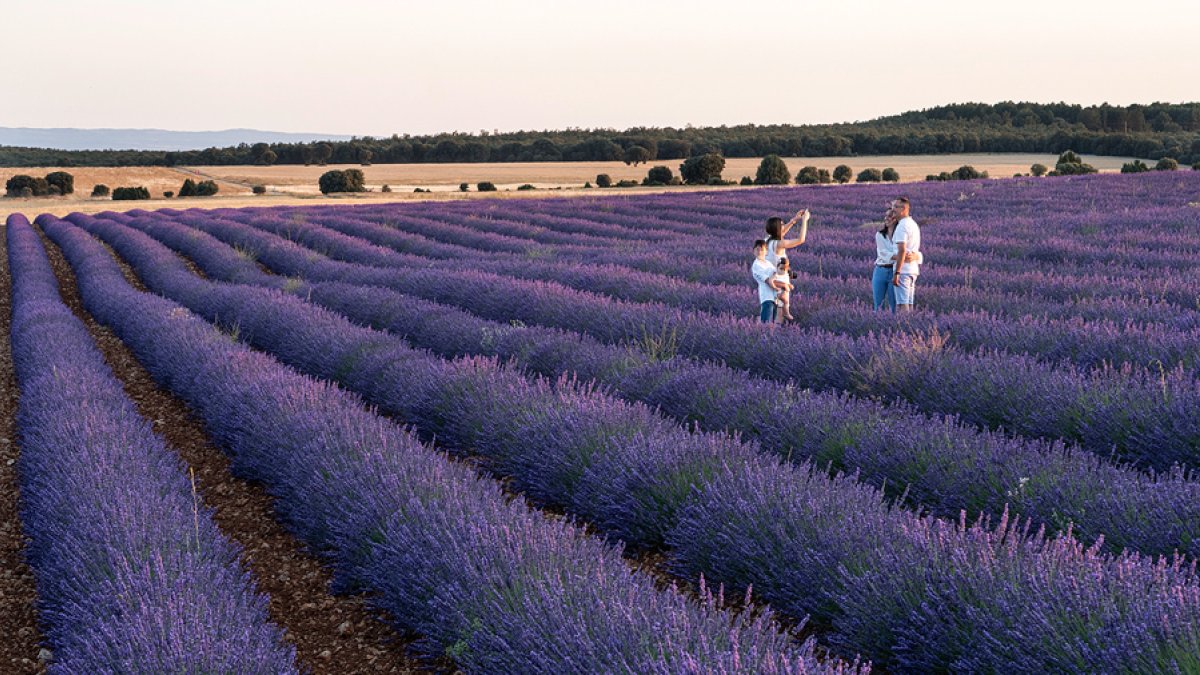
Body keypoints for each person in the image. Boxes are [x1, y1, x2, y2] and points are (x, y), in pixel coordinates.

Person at [873, 204, 924, 312]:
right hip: (880, 270)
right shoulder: (880, 235)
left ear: (896, 218)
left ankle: (894, 327)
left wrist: (914, 256)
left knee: (894, 305)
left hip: (895, 270)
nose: (886, 218)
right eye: (885, 216)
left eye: (890, 216)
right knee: (878, 305)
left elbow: (915, 252)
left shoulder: (902, 233)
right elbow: (883, 254)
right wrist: (903, 256)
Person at [890, 196, 922, 311]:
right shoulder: (913, 224)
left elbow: (902, 250)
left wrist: (897, 272)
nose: (893, 209)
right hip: (913, 270)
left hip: (903, 271)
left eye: (896, 207)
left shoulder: (902, 226)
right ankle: (910, 327)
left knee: (902, 305)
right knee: (909, 303)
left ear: (903, 209)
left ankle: (903, 328)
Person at [751, 239, 784, 323]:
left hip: (775, 298)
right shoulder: (756, 265)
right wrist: (779, 287)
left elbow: (776, 274)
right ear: (753, 251)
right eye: (757, 249)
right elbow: (768, 281)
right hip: (767, 298)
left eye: (762, 249)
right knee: (766, 324)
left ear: (766, 252)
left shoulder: (768, 263)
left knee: (772, 324)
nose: (759, 252)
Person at [773, 256, 796, 321]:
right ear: (777, 267)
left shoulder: (785, 275)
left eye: (785, 269)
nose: (783, 271)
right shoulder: (775, 275)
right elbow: (773, 282)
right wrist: (784, 285)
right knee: (784, 303)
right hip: (779, 293)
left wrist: (790, 285)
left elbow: (787, 282)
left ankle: (785, 314)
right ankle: (786, 313)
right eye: (781, 269)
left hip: (784, 294)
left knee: (785, 303)